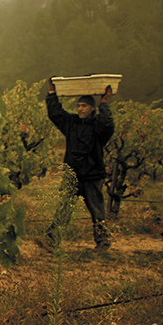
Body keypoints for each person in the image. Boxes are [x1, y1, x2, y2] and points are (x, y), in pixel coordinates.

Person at [45, 80, 115, 250]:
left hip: (92, 175)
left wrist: (104, 103)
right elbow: (56, 114)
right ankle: (51, 241)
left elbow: (108, 124)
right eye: (79, 106)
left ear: (92, 108)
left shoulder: (98, 127)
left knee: (97, 211)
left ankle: (103, 242)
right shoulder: (71, 123)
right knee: (64, 209)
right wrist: (52, 93)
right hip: (73, 174)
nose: (80, 109)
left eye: (84, 106)